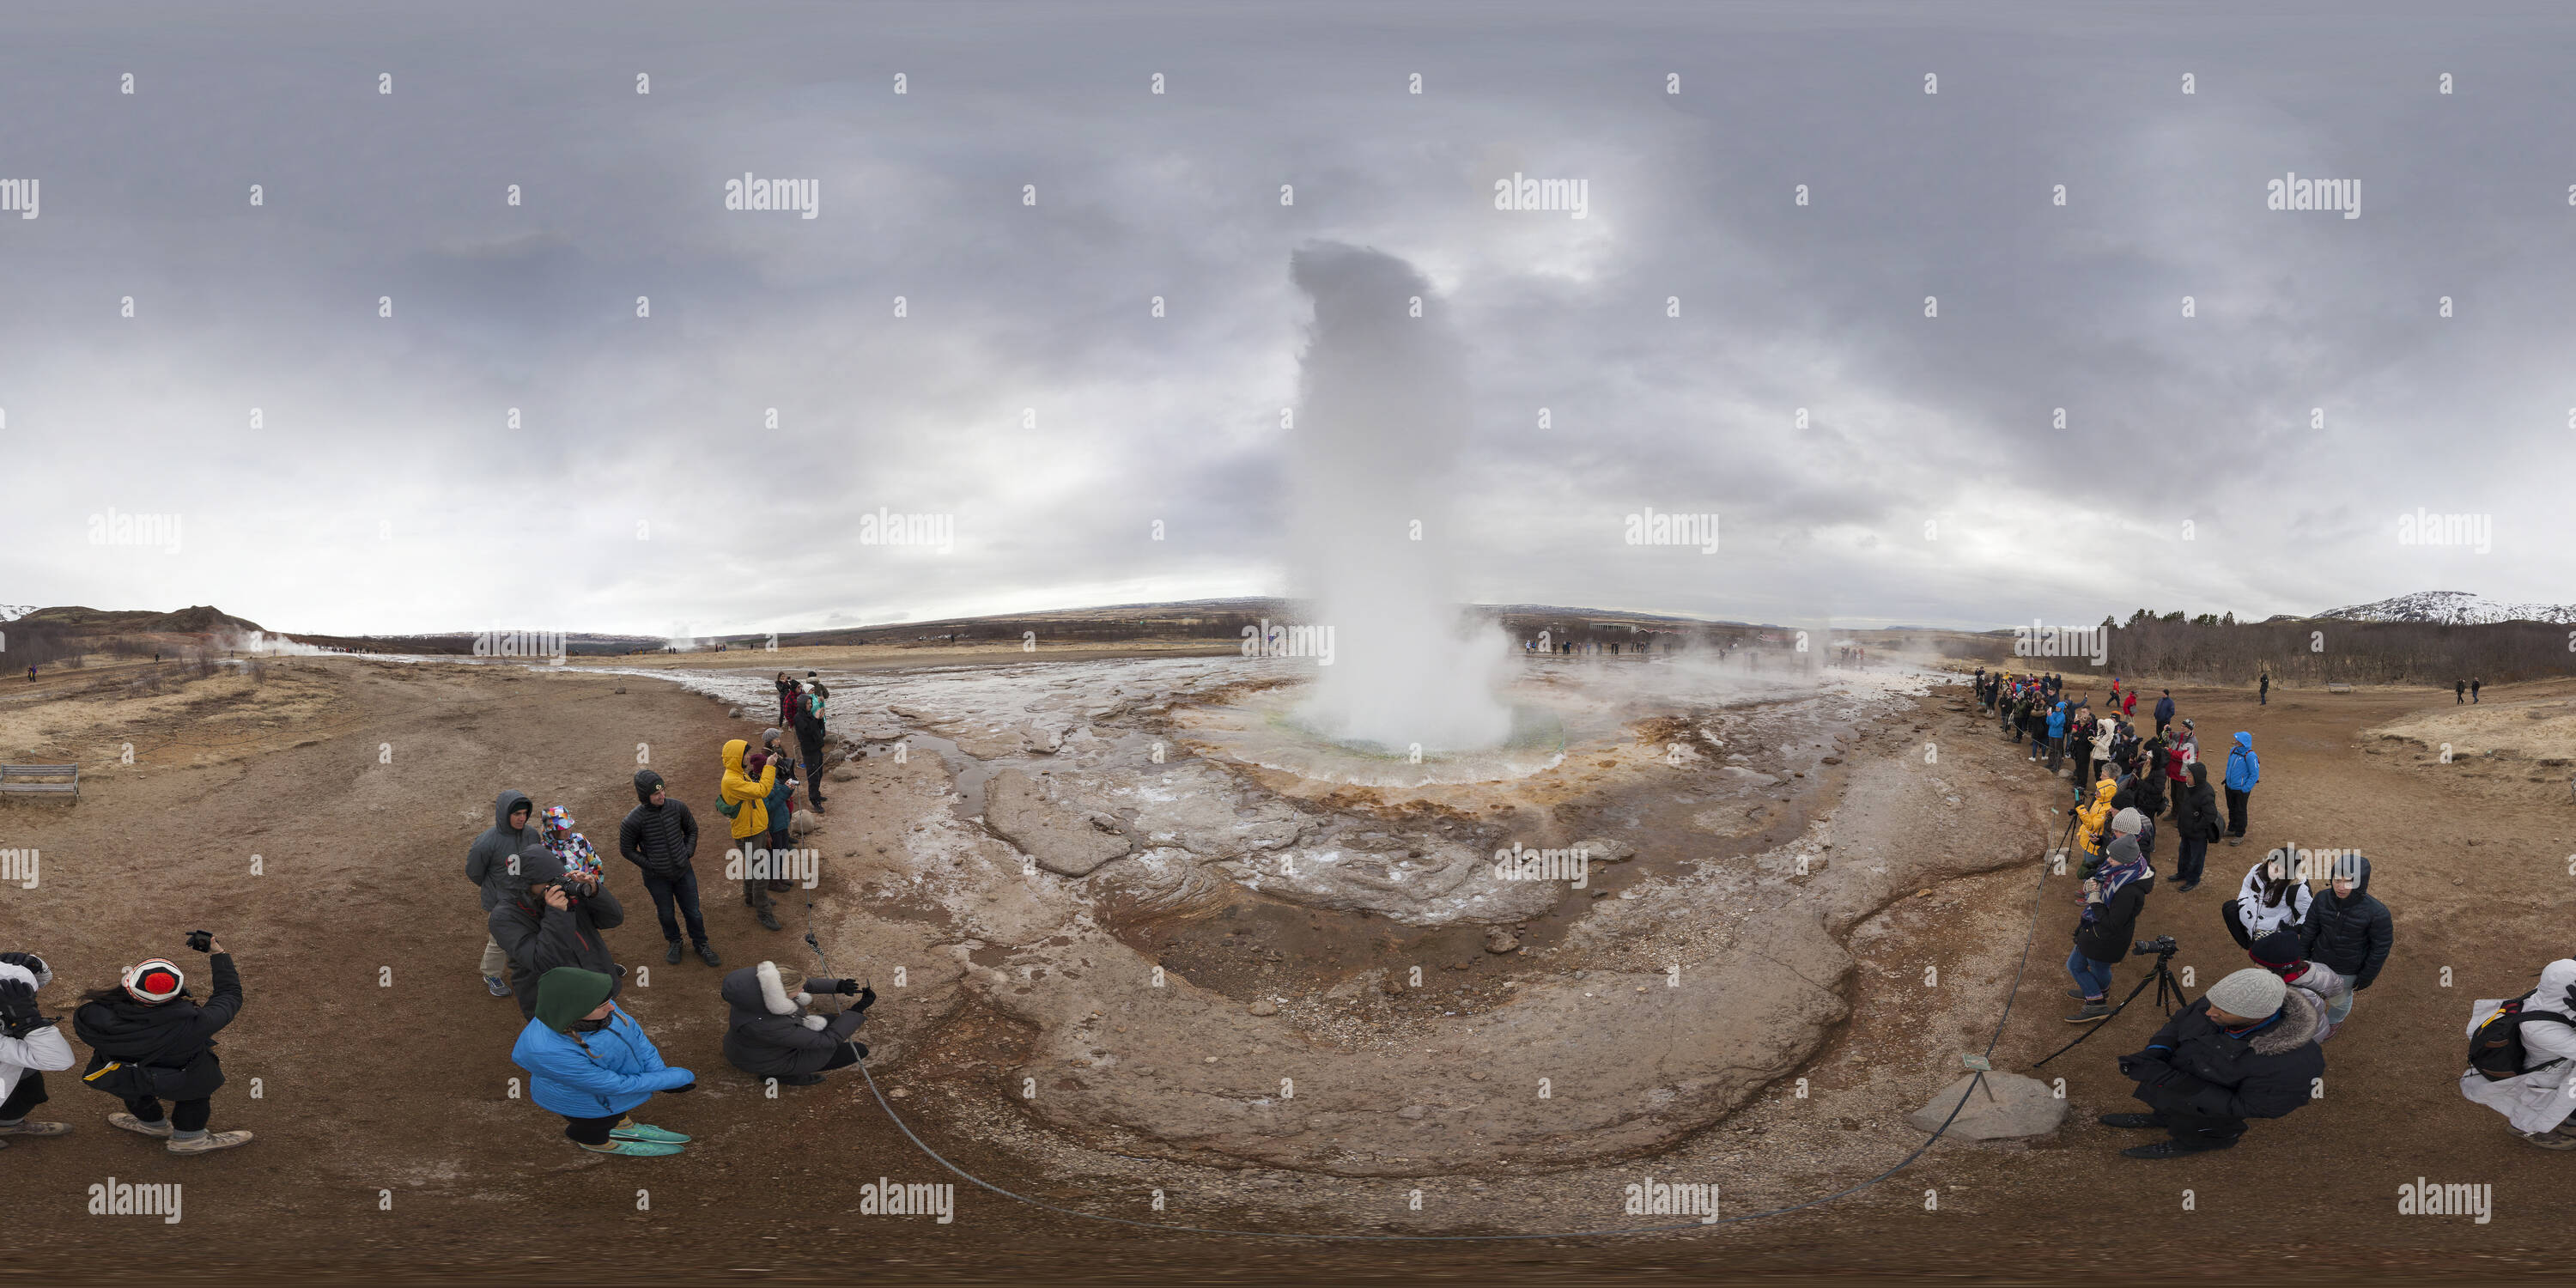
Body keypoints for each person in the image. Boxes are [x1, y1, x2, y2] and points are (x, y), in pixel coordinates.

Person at [2102, 968, 2324, 1157]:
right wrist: (2159, 1050)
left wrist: (2172, 1080)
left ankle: (2189, 1144)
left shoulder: (2294, 1062)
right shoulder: (2222, 1002)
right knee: (2169, 1106)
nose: (2208, 1012)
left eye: (2222, 1011)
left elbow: (2255, 1107)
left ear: (2257, 1016)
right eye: (2212, 1002)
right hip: (2174, 1088)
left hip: (2211, 1114)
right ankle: (2162, 1118)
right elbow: (2179, 1021)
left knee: (2197, 1130)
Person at [71, 937, 252, 1154]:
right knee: (194, 1095)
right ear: (178, 991)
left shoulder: (91, 1015)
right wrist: (218, 954)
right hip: (183, 1076)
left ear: (128, 985)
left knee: (134, 1089)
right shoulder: (197, 1023)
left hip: (127, 1073)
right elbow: (229, 995)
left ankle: (152, 1125)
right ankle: (190, 1140)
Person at [511, 967, 696, 1157]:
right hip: (584, 1104)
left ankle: (622, 1126)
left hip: (609, 1096)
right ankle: (596, 1142)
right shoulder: (547, 1050)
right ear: (574, 1011)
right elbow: (612, 1084)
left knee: (615, 1113)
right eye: (603, 1005)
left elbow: (636, 1036)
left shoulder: (598, 1005)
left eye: (608, 1001)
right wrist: (668, 1080)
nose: (613, 1007)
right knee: (597, 1124)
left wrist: (660, 1073)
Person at [490, 847, 628, 1021]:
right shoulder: (504, 918)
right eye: (550, 881)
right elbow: (545, 961)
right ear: (526, 885)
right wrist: (557, 913)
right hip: (560, 1008)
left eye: (560, 877)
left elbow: (613, 919)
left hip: (598, 990)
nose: (558, 885)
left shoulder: (566, 895)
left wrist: (595, 892)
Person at [2461, 960, 2576, 1148]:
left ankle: (2571, 1122)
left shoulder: (2548, 993)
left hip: (2559, 1062)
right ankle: (2527, 1130)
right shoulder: (2540, 1029)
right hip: (2544, 1077)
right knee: (2534, 1110)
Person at [719, 962, 874, 1086]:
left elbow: (804, 984)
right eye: (798, 989)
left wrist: (838, 985)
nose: (803, 990)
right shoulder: (769, 1025)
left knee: (834, 1022)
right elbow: (825, 1041)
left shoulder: (753, 998)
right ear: (778, 996)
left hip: (754, 1049)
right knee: (857, 1051)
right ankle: (784, 1076)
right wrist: (858, 1009)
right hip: (766, 1061)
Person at [621, 769, 717, 968]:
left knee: (694, 912)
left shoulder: (677, 807)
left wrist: (688, 851)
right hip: (656, 878)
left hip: (683, 871)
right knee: (666, 913)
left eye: (663, 790)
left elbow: (692, 829)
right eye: (656, 794)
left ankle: (701, 943)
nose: (662, 795)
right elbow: (627, 850)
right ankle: (675, 941)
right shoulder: (632, 821)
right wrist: (651, 865)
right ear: (644, 796)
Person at [2066, 832, 2154, 1024]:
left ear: (2125, 861)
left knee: (2081, 966)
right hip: (2096, 931)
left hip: (2106, 938)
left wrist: (2095, 899)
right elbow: (2105, 878)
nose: (2109, 860)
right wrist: (2096, 883)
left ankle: (2096, 1004)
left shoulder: (2129, 890)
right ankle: (2096, 992)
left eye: (2113, 858)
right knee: (2086, 966)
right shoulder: (2122, 871)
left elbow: (2114, 923)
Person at [465, 789, 545, 998]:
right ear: (504, 814)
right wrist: (497, 889)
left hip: (528, 896)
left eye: (524, 813)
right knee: (499, 940)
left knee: (536, 931)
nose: (522, 818)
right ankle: (491, 974)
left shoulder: (531, 834)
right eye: (516, 814)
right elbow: (474, 872)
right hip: (501, 902)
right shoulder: (486, 842)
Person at [2297, 853, 2390, 1030]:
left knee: (2339, 1001)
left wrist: (2367, 976)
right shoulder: (2322, 898)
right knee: (2312, 993)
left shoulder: (2378, 913)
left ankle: (2333, 1022)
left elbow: (2380, 949)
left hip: (2347, 971)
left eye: (2349, 882)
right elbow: (2310, 929)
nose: (2341, 887)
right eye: (2337, 880)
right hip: (2317, 961)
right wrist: (2303, 956)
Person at [0, 951, 76, 1146]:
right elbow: (59, 1060)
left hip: (13, 1058)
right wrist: (29, 1022)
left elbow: (33, 983)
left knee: (30, 1092)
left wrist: (35, 965)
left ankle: (8, 1125)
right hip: (9, 1061)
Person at [720, 738, 782, 931]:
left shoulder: (738, 774)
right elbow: (762, 791)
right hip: (748, 833)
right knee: (761, 873)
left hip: (755, 829)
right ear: (736, 757)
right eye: (745, 753)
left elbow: (754, 801)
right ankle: (763, 912)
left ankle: (750, 898)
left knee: (753, 867)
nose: (748, 756)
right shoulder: (732, 780)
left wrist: (764, 828)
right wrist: (769, 767)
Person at [2248, 928, 2350, 1042]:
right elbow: (2338, 987)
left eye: (2259, 964)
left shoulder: (2281, 995)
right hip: (2318, 1028)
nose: (2256, 966)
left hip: (2304, 1038)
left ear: (2277, 968)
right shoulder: (2321, 971)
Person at [2224, 850, 2312, 950]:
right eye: (2271, 864)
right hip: (2249, 926)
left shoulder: (2297, 888)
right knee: (2229, 909)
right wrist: (2243, 903)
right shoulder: (2257, 870)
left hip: (2271, 934)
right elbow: (2246, 886)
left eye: (2279, 869)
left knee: (2266, 962)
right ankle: (2250, 945)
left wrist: (2294, 930)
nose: (2272, 870)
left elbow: (2309, 913)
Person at [756, 732, 799, 896]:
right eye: (770, 766)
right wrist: (783, 793)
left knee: (781, 851)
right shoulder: (761, 785)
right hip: (773, 824)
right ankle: (773, 881)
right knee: (775, 853)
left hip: (781, 822)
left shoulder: (772, 779)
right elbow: (768, 807)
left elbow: (781, 795)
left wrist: (788, 789)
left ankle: (779, 876)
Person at [2173, 762, 2220, 893]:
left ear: (2197, 777)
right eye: (2187, 774)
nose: (2186, 777)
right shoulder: (2189, 787)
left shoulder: (2206, 793)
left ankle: (2193, 880)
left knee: (2196, 858)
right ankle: (2181, 873)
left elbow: (2210, 815)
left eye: (2189, 775)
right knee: (2183, 854)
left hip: (2197, 834)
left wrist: (2195, 827)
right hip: (2186, 831)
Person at [540, 805, 605, 888]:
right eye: (562, 829)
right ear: (552, 831)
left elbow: (596, 864)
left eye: (569, 826)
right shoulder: (545, 852)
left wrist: (595, 886)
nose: (568, 831)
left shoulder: (580, 839)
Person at [795, 678, 831, 813]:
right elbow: (807, 731)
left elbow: (817, 729)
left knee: (819, 773)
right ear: (803, 705)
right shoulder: (799, 718)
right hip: (809, 751)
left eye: (811, 703)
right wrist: (816, 719)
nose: (810, 705)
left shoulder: (809, 714)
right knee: (813, 776)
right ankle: (814, 801)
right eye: (808, 704)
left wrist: (820, 719)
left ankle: (817, 794)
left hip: (817, 748)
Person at [2222, 732, 2260, 843]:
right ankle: (2232, 828)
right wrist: (2227, 780)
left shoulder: (2251, 755)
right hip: (2229, 786)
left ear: (2244, 742)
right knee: (2231, 808)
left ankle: (2239, 834)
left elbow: (2254, 774)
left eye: (2238, 740)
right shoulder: (2233, 750)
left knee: (2240, 811)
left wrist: (2245, 788)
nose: (2236, 741)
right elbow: (2229, 766)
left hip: (2241, 790)